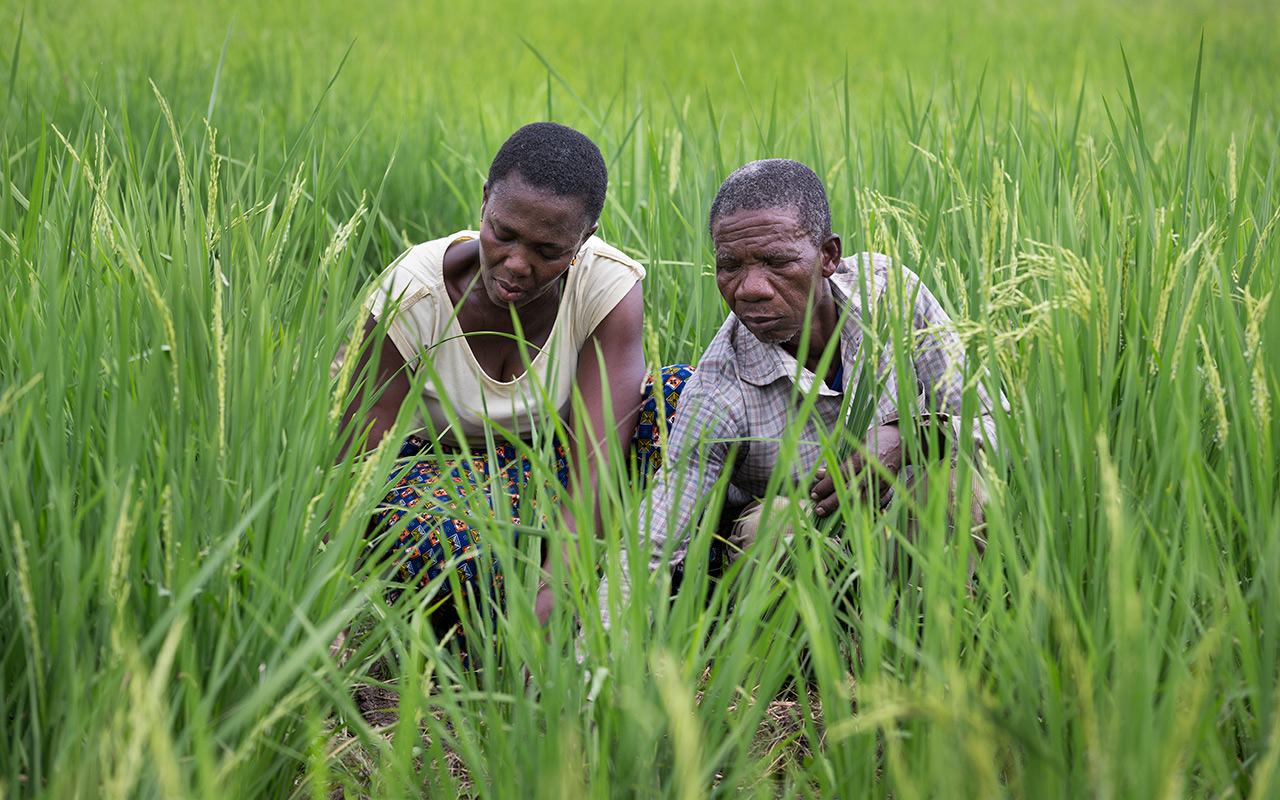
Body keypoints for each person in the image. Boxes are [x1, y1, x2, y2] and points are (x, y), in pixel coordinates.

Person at [596, 158, 1004, 628]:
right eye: (729, 266)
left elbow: (998, 427)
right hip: (813, 565)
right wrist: (590, 668)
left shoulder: (892, 296)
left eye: (778, 262)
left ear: (828, 256)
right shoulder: (720, 386)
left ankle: (937, 647)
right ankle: (807, 678)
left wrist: (911, 436)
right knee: (771, 526)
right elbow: (654, 541)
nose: (750, 289)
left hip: (909, 538)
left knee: (956, 484)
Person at [339, 122, 691, 660]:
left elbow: (600, 462)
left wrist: (554, 591)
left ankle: (657, 591)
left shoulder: (607, 285)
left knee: (682, 399)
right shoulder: (411, 296)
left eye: (549, 249)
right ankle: (487, 624)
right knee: (450, 546)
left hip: (561, 471)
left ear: (585, 239)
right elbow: (361, 470)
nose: (517, 264)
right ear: (483, 202)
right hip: (445, 481)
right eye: (503, 233)